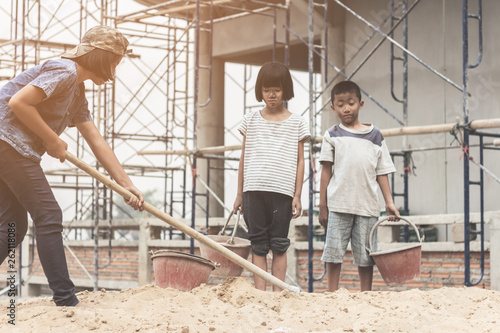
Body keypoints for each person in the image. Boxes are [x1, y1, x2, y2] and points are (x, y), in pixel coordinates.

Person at [0, 26, 144, 307]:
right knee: (49, 215)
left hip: (10, 148)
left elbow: (96, 140)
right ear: (102, 58)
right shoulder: (65, 71)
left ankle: (64, 296)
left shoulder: (76, 91)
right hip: (7, 144)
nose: (116, 67)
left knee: (13, 224)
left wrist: (125, 184)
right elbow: (19, 103)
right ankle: (65, 299)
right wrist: (52, 140)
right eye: (116, 60)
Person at [233, 61, 310, 291]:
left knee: (279, 244)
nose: (272, 94)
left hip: (282, 193)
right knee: (258, 244)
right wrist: (239, 194)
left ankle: (278, 294)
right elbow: (243, 158)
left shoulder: (297, 122)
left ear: (285, 89)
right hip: (253, 190)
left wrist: (297, 195)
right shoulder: (251, 120)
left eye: (276, 89)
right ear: (260, 91)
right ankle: (260, 294)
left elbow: (300, 160)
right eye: (267, 89)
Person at [318, 80, 400, 292]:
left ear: (360, 104)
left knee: (366, 255)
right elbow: (326, 170)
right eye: (341, 103)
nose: (347, 108)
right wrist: (322, 205)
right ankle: (332, 293)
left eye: (351, 102)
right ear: (333, 107)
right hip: (338, 204)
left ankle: (366, 294)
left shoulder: (375, 135)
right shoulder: (332, 135)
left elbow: (382, 171)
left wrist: (389, 202)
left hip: (367, 206)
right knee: (333, 252)